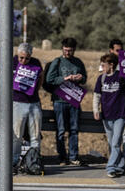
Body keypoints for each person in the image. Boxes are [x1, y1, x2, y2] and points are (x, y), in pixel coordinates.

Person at [45, 38, 87, 166]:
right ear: (62, 48)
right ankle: (62, 157)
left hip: (73, 99)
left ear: (74, 50)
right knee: (61, 130)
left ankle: (73, 156)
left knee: (74, 130)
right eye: (65, 50)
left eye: (70, 50)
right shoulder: (57, 62)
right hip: (59, 100)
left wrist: (80, 77)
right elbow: (49, 79)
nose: (68, 53)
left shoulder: (78, 62)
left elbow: (84, 78)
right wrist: (65, 78)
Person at [94, 53, 125, 177]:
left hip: (120, 114)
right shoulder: (101, 79)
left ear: (111, 65)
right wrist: (95, 110)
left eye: (104, 64)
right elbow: (97, 96)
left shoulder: (121, 77)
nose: (102, 66)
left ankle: (110, 167)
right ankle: (121, 167)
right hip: (106, 115)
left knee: (115, 143)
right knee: (112, 143)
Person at [10, 42, 44, 170]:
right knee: (17, 135)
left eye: (27, 58)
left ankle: (33, 162)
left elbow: (41, 75)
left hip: (33, 102)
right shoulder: (12, 61)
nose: (24, 60)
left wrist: (37, 88)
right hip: (18, 102)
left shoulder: (36, 62)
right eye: (21, 58)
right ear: (17, 55)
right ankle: (13, 162)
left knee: (35, 135)